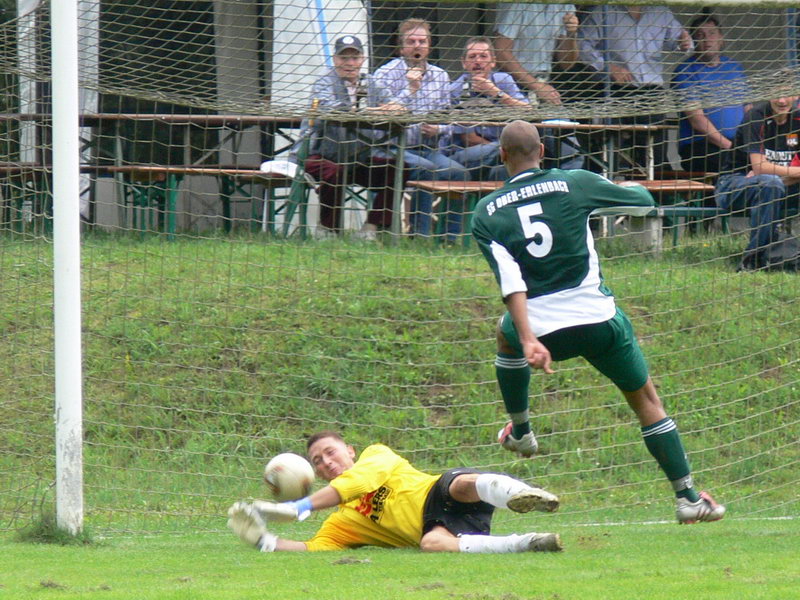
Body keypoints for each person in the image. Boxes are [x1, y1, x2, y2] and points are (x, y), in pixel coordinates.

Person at [470, 120, 726, 524]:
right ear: (543, 150)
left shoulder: (485, 212)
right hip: (598, 322)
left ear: (501, 155)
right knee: (646, 402)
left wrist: (526, 338)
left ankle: (521, 430)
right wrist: (622, 187)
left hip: (543, 332)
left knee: (504, 339)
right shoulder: (574, 182)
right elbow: (642, 202)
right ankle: (688, 498)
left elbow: (510, 281)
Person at [227, 430, 563, 553]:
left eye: (331, 452)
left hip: (438, 492)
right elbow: (314, 546)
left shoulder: (376, 454)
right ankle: (530, 542)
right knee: (432, 545)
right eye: (318, 462)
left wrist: (299, 507)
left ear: (351, 451)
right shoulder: (343, 520)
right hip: (434, 527)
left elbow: (357, 484)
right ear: (313, 474)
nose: (327, 463)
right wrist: (264, 541)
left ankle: (525, 494)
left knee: (461, 484)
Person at [298, 35, 406, 240]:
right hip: (320, 156)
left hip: (359, 159)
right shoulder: (324, 82)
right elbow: (333, 109)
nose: (349, 63)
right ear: (335, 59)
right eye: (343, 58)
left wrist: (392, 107)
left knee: (398, 169)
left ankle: (370, 228)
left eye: (354, 58)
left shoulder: (371, 82)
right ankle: (327, 229)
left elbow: (397, 107)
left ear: (363, 59)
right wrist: (376, 111)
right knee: (334, 171)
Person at [374, 18, 469, 239]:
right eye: (411, 41)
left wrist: (439, 129)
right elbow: (383, 114)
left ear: (429, 45)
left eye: (422, 41)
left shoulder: (440, 76)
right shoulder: (384, 74)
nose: (417, 46)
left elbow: (448, 118)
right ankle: (419, 237)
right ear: (401, 46)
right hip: (392, 147)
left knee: (459, 173)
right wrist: (411, 89)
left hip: (427, 147)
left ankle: (449, 239)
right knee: (427, 169)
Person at [579, 5, 692, 171]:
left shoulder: (661, 12)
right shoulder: (604, 10)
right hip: (615, 89)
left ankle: (652, 193)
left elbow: (683, 44)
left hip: (652, 91)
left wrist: (684, 42)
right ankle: (608, 187)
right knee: (610, 148)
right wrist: (608, 67)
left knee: (656, 151)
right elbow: (582, 45)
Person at [715, 90, 800, 270]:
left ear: (796, 95)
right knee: (769, 183)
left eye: (787, 94)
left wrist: (775, 174)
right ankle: (753, 260)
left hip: (781, 185)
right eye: (777, 94)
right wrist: (771, 175)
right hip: (734, 184)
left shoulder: (798, 120)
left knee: (771, 182)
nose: (782, 100)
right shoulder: (756, 116)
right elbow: (760, 168)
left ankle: (787, 256)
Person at [672, 13, 750, 174]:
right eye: (700, 35)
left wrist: (749, 142)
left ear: (721, 38)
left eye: (712, 33)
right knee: (730, 168)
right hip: (701, 147)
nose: (707, 39)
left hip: (737, 143)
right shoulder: (685, 71)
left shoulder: (735, 67)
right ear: (693, 40)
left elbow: (748, 108)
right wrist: (731, 148)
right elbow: (697, 121)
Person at [447, 37, 530, 179]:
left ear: (493, 62)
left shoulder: (504, 80)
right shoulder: (455, 90)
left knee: (502, 172)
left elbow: (528, 111)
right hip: (467, 154)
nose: (478, 61)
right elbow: (469, 139)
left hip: (502, 154)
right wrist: (504, 149)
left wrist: (497, 94)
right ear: (464, 63)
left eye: (483, 56)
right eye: (472, 57)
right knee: (516, 150)